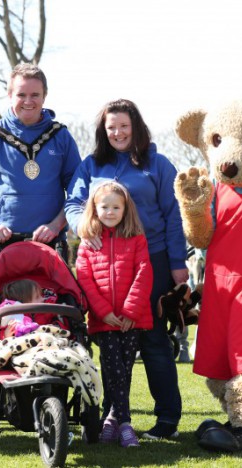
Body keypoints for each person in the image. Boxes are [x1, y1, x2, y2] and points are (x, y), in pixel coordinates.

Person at [65, 99, 188, 440]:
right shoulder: (91, 166)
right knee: (109, 345)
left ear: (135, 128)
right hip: (102, 265)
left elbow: (174, 216)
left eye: (123, 126)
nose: (117, 133)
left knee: (152, 341)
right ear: (104, 132)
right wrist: (82, 228)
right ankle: (113, 419)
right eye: (111, 128)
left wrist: (178, 264)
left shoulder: (158, 165)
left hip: (151, 263)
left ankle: (166, 421)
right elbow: (74, 203)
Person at [0, 62, 81, 261]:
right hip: (4, 245)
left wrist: (55, 226)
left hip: (51, 244)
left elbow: (78, 193)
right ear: (10, 96)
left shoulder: (61, 136)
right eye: (21, 95)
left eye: (35, 95)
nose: (28, 101)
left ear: (44, 96)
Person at [76, 181, 153, 447]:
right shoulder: (88, 244)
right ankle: (126, 423)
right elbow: (84, 278)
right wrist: (104, 312)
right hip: (103, 321)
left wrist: (130, 311)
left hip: (133, 320)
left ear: (125, 209)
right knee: (114, 370)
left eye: (116, 207)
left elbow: (144, 274)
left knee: (123, 372)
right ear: (94, 209)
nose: (110, 211)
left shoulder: (136, 239)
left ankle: (110, 420)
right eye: (104, 206)